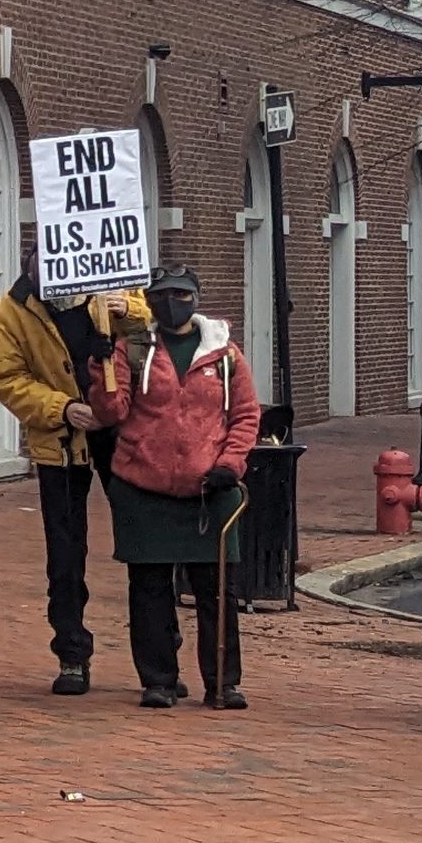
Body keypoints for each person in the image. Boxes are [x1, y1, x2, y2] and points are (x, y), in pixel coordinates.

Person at [92, 264, 266, 711]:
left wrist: (231, 464)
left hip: (210, 492)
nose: (173, 303)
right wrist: (103, 365)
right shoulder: (134, 349)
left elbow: (245, 414)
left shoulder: (225, 354)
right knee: (149, 590)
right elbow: (113, 412)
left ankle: (222, 683)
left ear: (196, 298)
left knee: (217, 592)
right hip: (143, 486)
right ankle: (158, 680)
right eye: (164, 295)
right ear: (150, 302)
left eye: (181, 294)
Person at [0, 258, 128, 699]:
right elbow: (8, 378)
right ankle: (71, 653)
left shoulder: (110, 290)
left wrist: (131, 311)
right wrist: (61, 408)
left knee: (146, 544)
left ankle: (159, 657)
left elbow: (155, 332)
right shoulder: (11, 310)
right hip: (62, 440)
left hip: (125, 432)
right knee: (65, 550)